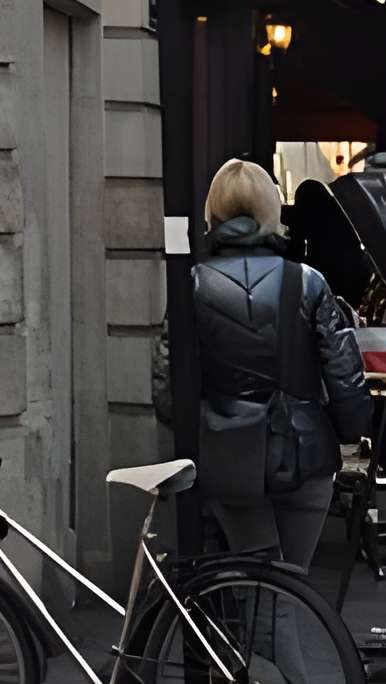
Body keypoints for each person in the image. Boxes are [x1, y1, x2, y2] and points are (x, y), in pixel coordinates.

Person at [154, 156, 371, 567]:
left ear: (213, 213)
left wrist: (204, 425)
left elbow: (166, 388)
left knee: (253, 581)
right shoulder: (307, 281)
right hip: (305, 454)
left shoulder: (194, 284)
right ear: (271, 209)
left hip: (229, 457)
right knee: (291, 581)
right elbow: (345, 376)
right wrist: (352, 432)